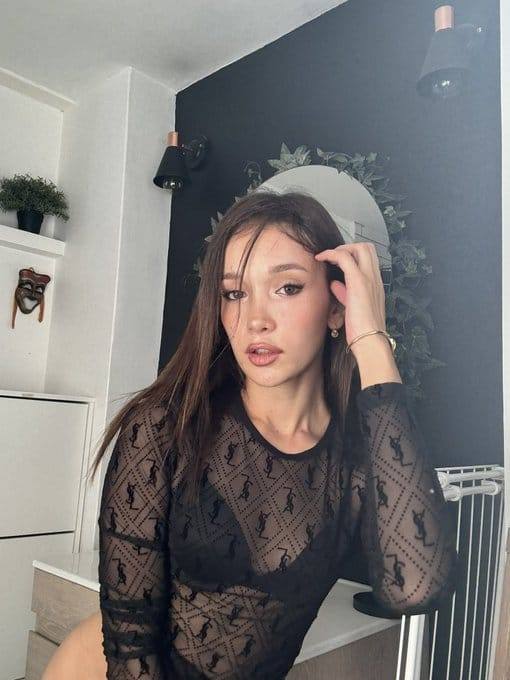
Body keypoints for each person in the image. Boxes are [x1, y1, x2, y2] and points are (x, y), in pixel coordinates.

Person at [85, 190, 460, 679]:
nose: (255, 320)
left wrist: (371, 340)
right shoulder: (163, 427)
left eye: (287, 287)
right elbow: (130, 649)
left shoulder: (354, 457)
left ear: (337, 307)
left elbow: (416, 588)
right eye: (235, 293)